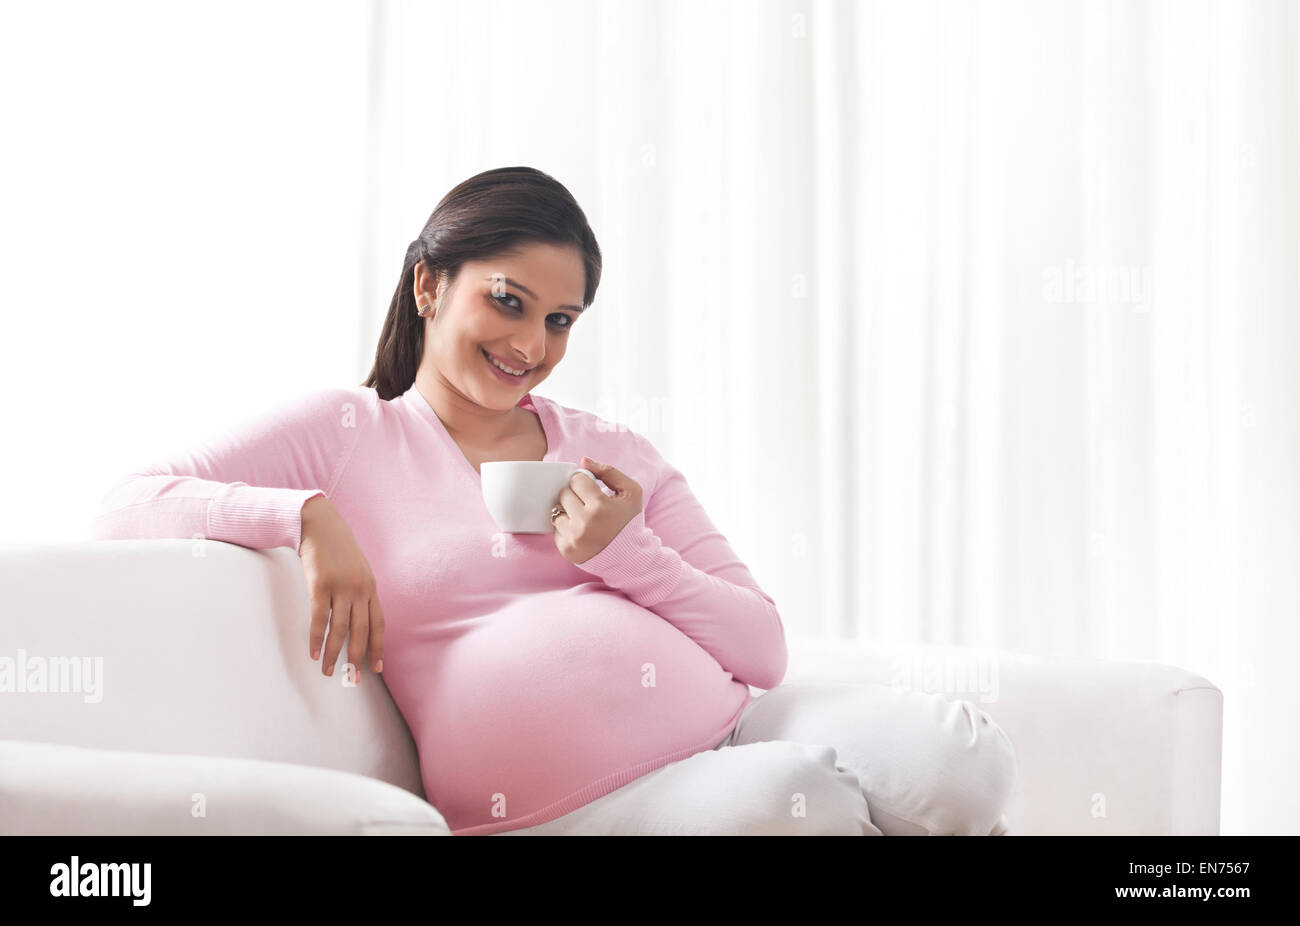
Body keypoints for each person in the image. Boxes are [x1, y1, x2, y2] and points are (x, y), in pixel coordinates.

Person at [89, 166, 1016, 836]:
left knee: (960, 761)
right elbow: (127, 503)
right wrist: (302, 517)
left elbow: (762, 649)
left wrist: (628, 555)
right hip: (569, 802)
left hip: (736, 723)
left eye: (560, 320)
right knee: (794, 805)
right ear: (428, 286)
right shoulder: (345, 434)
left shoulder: (609, 449)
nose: (531, 343)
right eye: (508, 301)